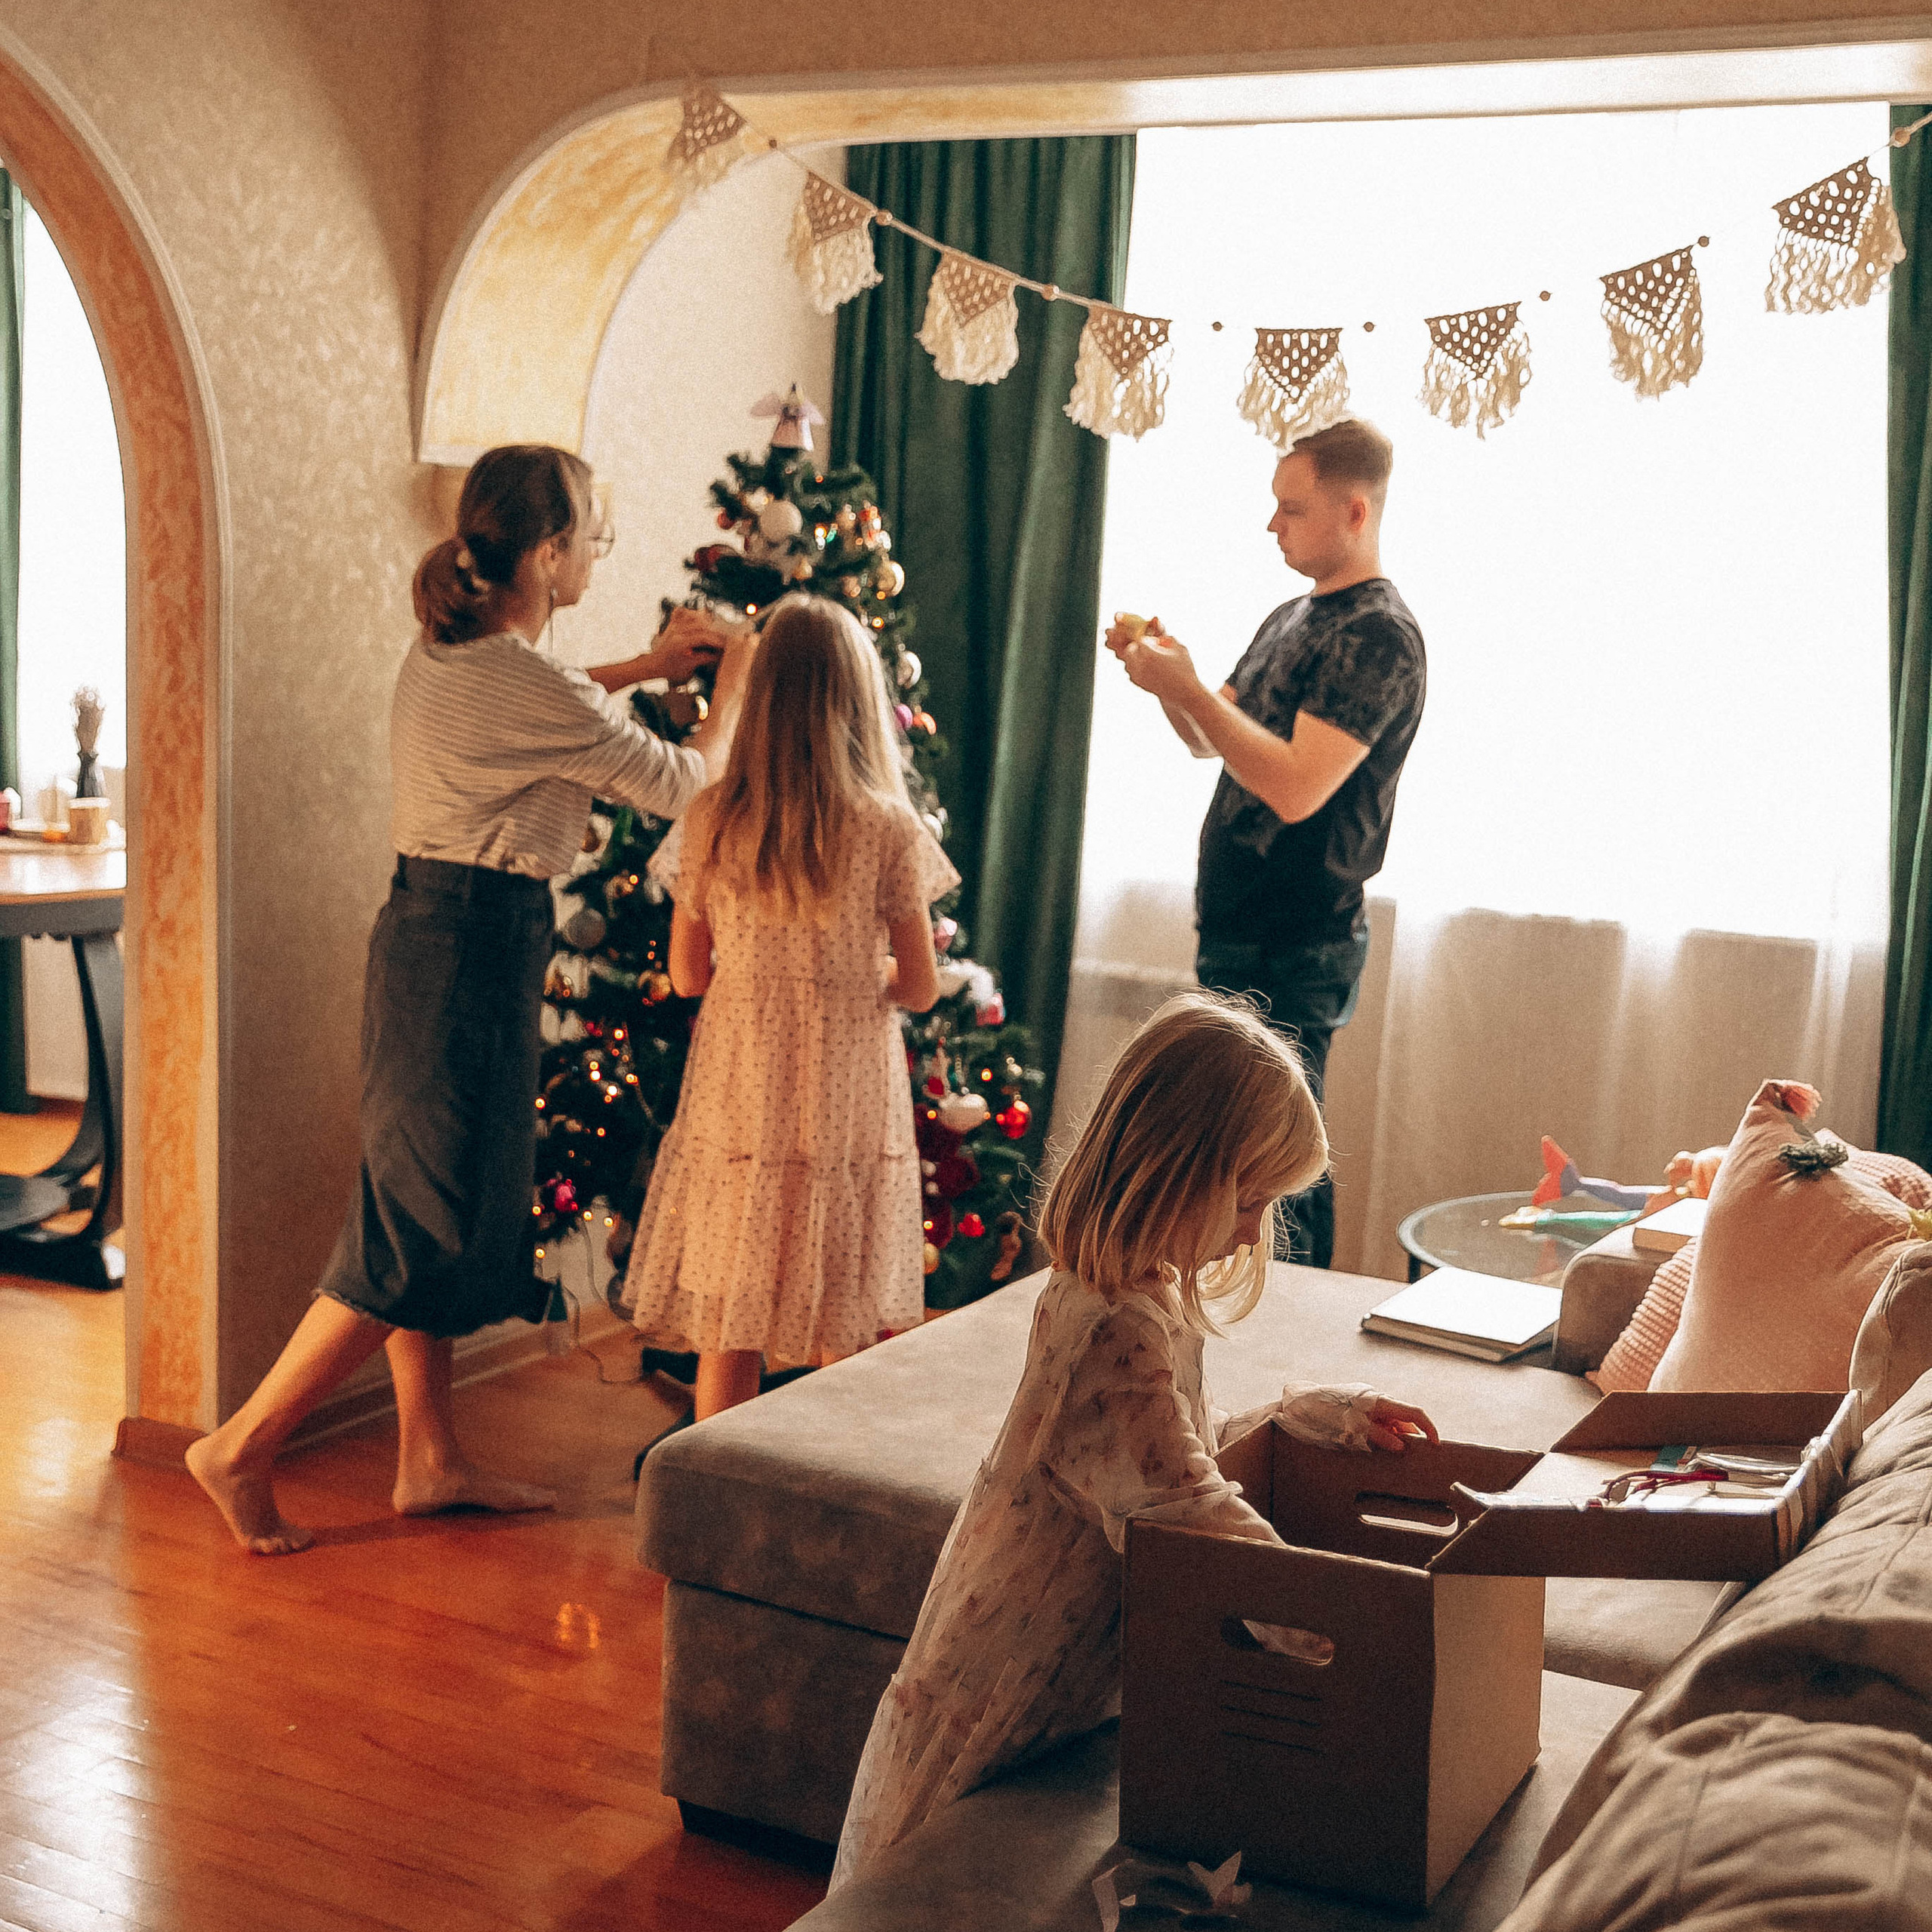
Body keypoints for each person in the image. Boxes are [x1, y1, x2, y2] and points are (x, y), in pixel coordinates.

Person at [187, 444, 751, 1555]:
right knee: (419, 1226)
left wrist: (641, 664)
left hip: (454, 937)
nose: (599, 550)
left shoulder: (464, 649)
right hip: (462, 948)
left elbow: (549, 704)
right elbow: (684, 781)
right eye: (592, 534)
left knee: (412, 1205)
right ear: (547, 552)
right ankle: (242, 1445)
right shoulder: (514, 677)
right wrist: (735, 684)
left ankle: (429, 1458)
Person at [829, 990, 1437, 1889]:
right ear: (1180, 1173)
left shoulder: (1139, 1295)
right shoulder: (1112, 1329)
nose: (1250, 1228)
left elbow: (1169, 1454)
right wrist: (1350, 1637)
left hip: (1056, 1692)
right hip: (999, 1695)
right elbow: (1189, 1515)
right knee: (916, 1892)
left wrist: (1319, 1415)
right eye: (1249, 1198)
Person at [621, 594, 953, 1421]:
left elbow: (688, 976)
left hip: (742, 1081)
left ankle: (711, 1502)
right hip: (845, 1084)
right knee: (843, 1301)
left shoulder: (712, 815)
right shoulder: (885, 826)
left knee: (731, 1314)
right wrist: (853, 972)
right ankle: (831, 1494)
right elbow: (919, 986)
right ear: (858, 702)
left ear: (761, 695)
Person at [1105, 417, 1425, 1269]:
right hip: (1240, 923)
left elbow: (1294, 787)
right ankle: (1236, 1313)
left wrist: (1189, 689)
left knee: (1280, 1158)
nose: (1272, 525)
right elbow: (1213, 741)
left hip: (1299, 933)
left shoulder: (1378, 635)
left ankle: (1297, 1331)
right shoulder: (1291, 615)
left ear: (1353, 512)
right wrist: (1168, 682)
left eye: (1291, 507)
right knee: (1228, 1149)